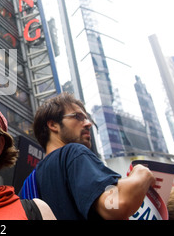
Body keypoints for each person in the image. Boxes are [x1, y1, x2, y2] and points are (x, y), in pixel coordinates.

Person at [19, 92, 156, 220]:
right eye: (78, 117)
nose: (88, 123)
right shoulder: (74, 153)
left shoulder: (27, 187)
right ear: (53, 124)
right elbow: (116, 204)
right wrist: (141, 173)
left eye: (87, 118)